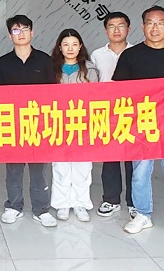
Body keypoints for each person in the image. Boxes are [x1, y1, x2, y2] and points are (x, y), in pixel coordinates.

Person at [113, 5, 164, 243]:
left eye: (160, 23)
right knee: (140, 171)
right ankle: (142, 214)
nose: (155, 28)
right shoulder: (130, 56)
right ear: (142, 27)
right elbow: (119, 89)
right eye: (150, 23)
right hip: (142, 123)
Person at [0, 15, 57, 227]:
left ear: (32, 32)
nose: (20, 34)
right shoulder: (3, 62)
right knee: (14, 167)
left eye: (24, 29)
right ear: (9, 35)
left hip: (39, 123)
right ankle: (14, 206)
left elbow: (52, 94)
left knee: (39, 168)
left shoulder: (45, 60)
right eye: (15, 30)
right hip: (12, 123)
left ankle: (41, 209)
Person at [90, 12, 137, 219]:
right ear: (105, 30)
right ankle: (111, 199)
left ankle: (134, 202)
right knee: (109, 158)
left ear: (129, 28)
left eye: (121, 26)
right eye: (112, 26)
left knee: (133, 160)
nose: (116, 30)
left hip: (132, 112)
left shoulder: (138, 52)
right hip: (106, 112)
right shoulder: (97, 55)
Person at [49, 29, 99, 222]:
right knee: (60, 166)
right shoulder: (52, 68)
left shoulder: (90, 69)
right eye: (66, 44)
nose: (70, 48)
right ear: (60, 47)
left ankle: (80, 203)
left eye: (74, 44)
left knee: (82, 167)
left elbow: (96, 97)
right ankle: (62, 203)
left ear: (80, 47)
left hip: (83, 124)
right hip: (58, 123)